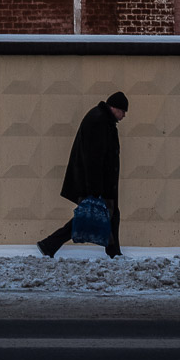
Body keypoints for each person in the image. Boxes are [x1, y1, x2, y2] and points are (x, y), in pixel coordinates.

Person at [37, 91, 128, 258]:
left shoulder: (102, 119)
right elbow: (94, 157)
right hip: (98, 184)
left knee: (109, 215)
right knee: (88, 218)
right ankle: (49, 244)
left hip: (100, 183)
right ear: (114, 108)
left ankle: (114, 252)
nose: (123, 116)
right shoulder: (99, 121)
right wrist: (95, 189)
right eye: (123, 112)